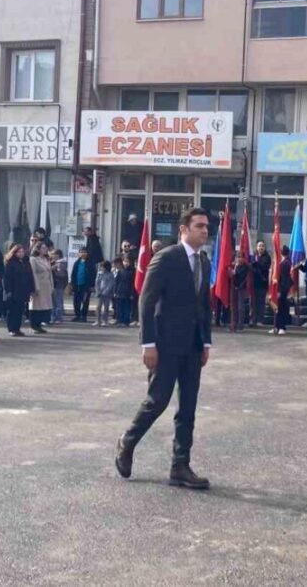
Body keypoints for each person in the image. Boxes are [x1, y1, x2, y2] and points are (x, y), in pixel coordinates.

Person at [116, 207, 213, 489]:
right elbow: (146, 301)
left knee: (188, 407)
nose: (205, 230)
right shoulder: (166, 258)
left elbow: (203, 305)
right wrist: (148, 344)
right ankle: (127, 441)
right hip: (165, 344)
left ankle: (180, 465)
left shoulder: (204, 262)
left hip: (193, 345)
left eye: (207, 226)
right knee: (157, 401)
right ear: (183, 230)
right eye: (199, 226)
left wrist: (205, 342)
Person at [3, 243, 34, 337]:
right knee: (12, 311)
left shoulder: (24, 262)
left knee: (20, 311)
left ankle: (17, 328)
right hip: (13, 290)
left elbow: (29, 276)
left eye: (22, 252)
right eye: (19, 252)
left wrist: (31, 288)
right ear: (14, 253)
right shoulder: (11, 263)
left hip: (23, 290)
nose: (21, 254)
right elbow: (7, 278)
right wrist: (8, 291)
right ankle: (11, 329)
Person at [28, 242, 53, 334]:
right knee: (36, 305)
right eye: (43, 248)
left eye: (46, 248)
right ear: (38, 249)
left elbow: (50, 273)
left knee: (44, 306)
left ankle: (39, 325)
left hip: (46, 285)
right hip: (38, 284)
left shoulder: (46, 259)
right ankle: (34, 325)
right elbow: (33, 273)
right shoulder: (33, 259)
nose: (45, 250)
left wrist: (51, 286)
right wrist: (35, 287)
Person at [270, 245, 292, 335]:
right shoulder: (280, 262)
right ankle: (276, 326)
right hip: (278, 288)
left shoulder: (286, 263)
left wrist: (280, 291)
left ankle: (281, 327)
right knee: (276, 308)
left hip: (282, 289)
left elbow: (284, 278)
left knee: (281, 308)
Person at [70, 247, 95, 323]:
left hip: (86, 285)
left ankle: (83, 316)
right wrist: (72, 284)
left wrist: (91, 285)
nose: (83, 253)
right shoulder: (77, 263)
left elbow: (93, 275)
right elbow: (73, 274)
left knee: (85, 301)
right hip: (77, 285)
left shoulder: (90, 263)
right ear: (79, 254)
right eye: (81, 252)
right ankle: (77, 315)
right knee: (76, 301)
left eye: (85, 252)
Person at [250, 240, 271, 326]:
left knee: (260, 303)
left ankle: (260, 320)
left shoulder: (267, 257)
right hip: (253, 283)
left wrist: (256, 263)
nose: (261, 248)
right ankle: (252, 319)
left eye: (262, 246)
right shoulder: (253, 256)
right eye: (259, 246)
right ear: (256, 247)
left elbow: (264, 267)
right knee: (252, 303)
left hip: (262, 283)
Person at [231, 250, 251, 331]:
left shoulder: (246, 267)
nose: (239, 259)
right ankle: (234, 323)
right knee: (234, 306)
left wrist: (239, 286)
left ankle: (241, 324)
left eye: (241, 257)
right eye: (238, 257)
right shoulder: (234, 266)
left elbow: (246, 278)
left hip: (242, 288)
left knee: (241, 307)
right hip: (234, 288)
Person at [114, 257, 136, 327]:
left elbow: (133, 283)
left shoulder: (132, 272)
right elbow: (116, 282)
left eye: (128, 262)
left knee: (127, 308)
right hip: (120, 292)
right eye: (125, 261)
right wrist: (115, 291)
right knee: (119, 308)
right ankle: (120, 320)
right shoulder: (120, 271)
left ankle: (126, 321)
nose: (126, 263)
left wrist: (132, 293)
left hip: (128, 293)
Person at [94, 260, 115, 327]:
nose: (102, 268)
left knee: (106, 307)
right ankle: (98, 320)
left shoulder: (110, 274)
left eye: (103, 267)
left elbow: (111, 284)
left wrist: (105, 291)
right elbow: (97, 282)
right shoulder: (99, 273)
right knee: (98, 307)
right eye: (101, 267)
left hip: (107, 294)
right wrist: (98, 291)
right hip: (100, 293)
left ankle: (105, 321)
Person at [50, 248, 68, 324]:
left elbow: (61, 274)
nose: (53, 255)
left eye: (55, 254)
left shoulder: (61, 263)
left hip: (58, 284)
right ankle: (52, 317)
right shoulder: (52, 262)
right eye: (52, 254)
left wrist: (53, 269)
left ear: (58, 255)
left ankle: (58, 317)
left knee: (58, 301)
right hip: (52, 284)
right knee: (52, 302)